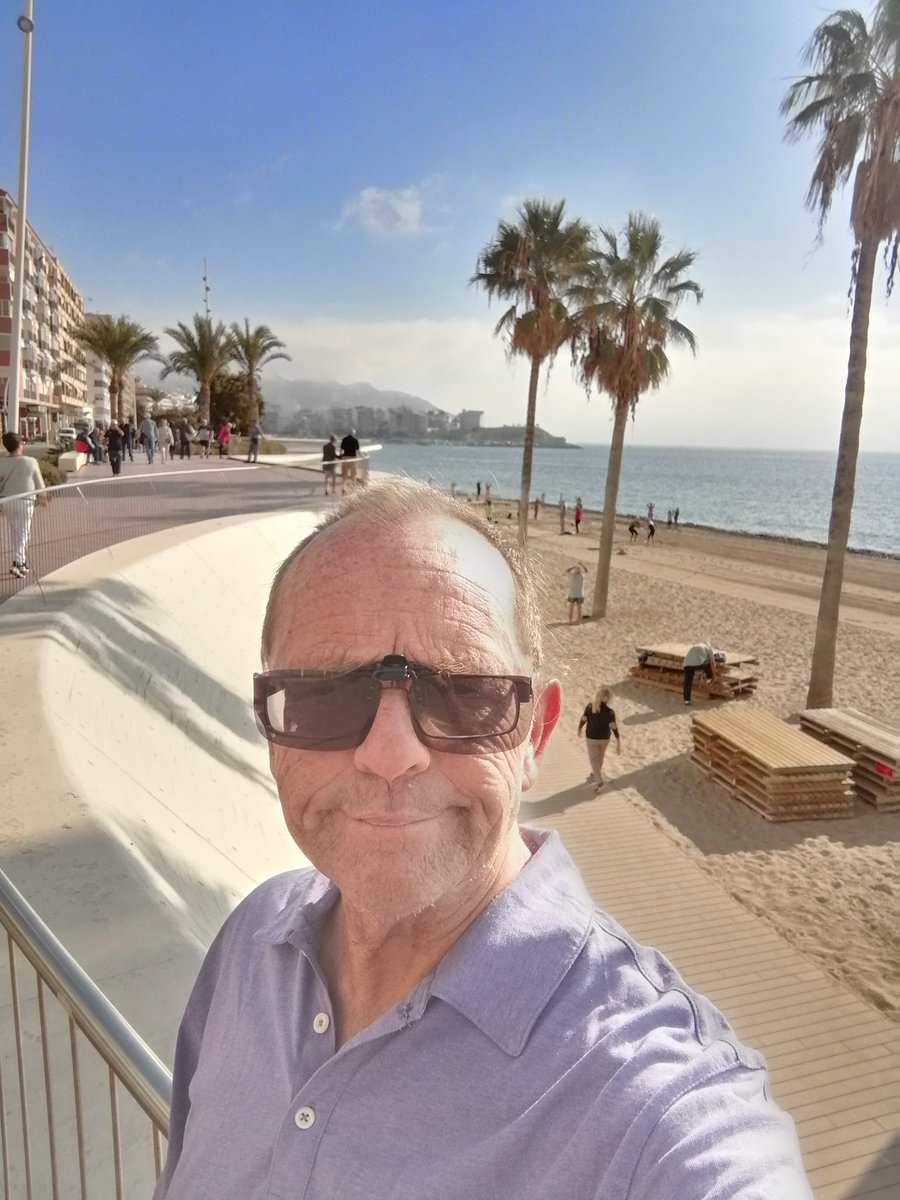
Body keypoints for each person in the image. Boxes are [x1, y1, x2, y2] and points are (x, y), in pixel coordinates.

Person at [154, 480, 812, 1200]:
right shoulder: (250, 946)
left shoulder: (650, 1109)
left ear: (537, 732)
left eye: (464, 693)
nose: (389, 753)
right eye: (325, 694)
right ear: (269, 721)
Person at [0, 431, 46, 579]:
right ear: (20, 445)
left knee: (16, 533)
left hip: (6, 501)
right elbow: (40, 484)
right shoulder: (30, 461)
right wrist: (44, 497)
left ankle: (22, 562)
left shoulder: (1, 462)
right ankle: (18, 563)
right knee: (23, 532)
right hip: (25, 501)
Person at [577, 685, 621, 790]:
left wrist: (579, 728)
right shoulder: (610, 712)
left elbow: (584, 718)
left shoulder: (590, 707)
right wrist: (618, 740)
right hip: (604, 739)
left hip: (591, 738)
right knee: (600, 757)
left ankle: (599, 781)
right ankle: (596, 773)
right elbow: (613, 727)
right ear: (608, 699)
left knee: (593, 759)